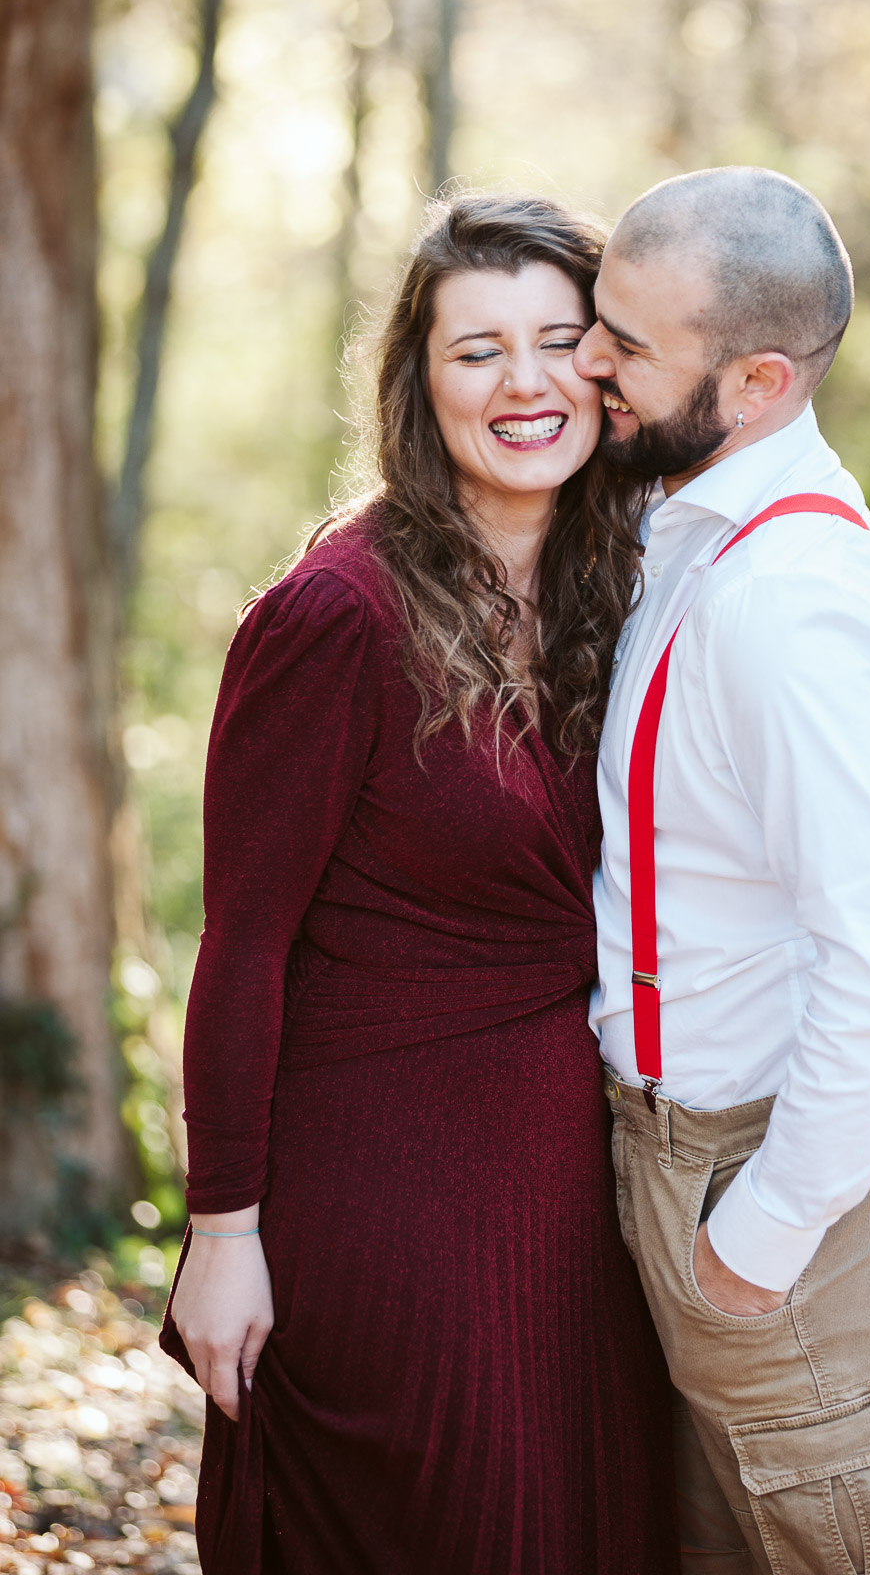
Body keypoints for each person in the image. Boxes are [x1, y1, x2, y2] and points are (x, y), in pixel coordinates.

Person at [161, 193, 679, 1575]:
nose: (524, 381)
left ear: (608, 366)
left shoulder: (619, 585)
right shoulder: (335, 614)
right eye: (476, 350)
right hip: (382, 1190)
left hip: (574, 1189)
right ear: (418, 382)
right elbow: (245, 942)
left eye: (559, 339)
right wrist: (222, 1232)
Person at [573, 165, 870, 1575]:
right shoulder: (689, 532)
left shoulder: (780, 602)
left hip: (778, 1188)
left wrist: (760, 1232)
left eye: (628, 345)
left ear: (756, 380)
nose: (589, 362)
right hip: (683, 1156)